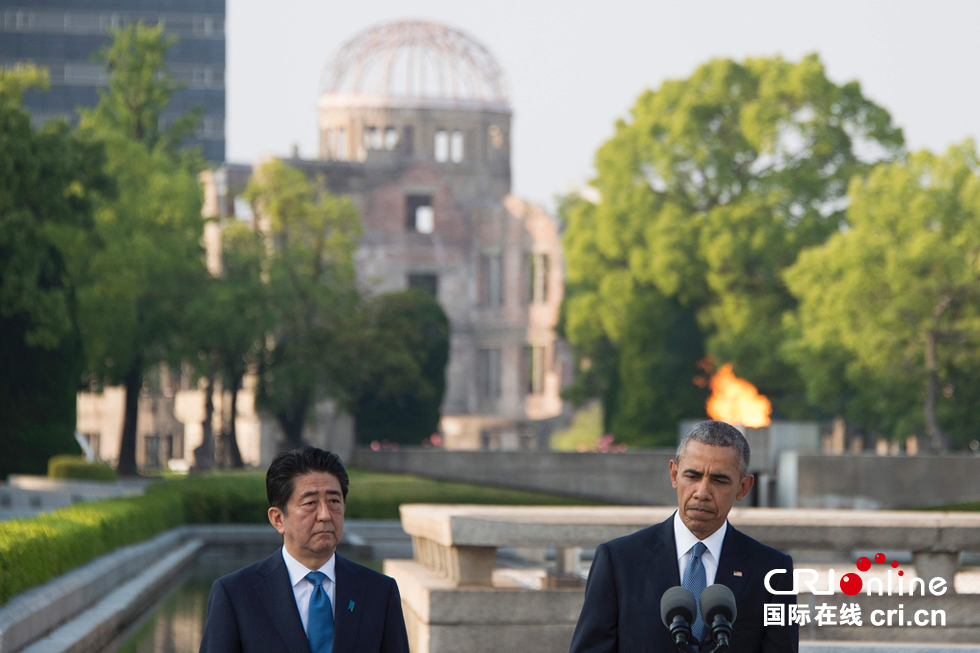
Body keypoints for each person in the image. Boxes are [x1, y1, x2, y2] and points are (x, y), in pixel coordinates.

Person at [568, 420, 798, 652]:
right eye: (693, 476)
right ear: (674, 474)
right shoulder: (618, 560)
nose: (702, 492)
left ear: (743, 487)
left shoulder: (773, 571)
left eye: (719, 480)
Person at [199, 446, 410, 653]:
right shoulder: (236, 595)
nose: (325, 515)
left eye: (334, 501)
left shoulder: (379, 592)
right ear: (278, 519)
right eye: (310, 503)